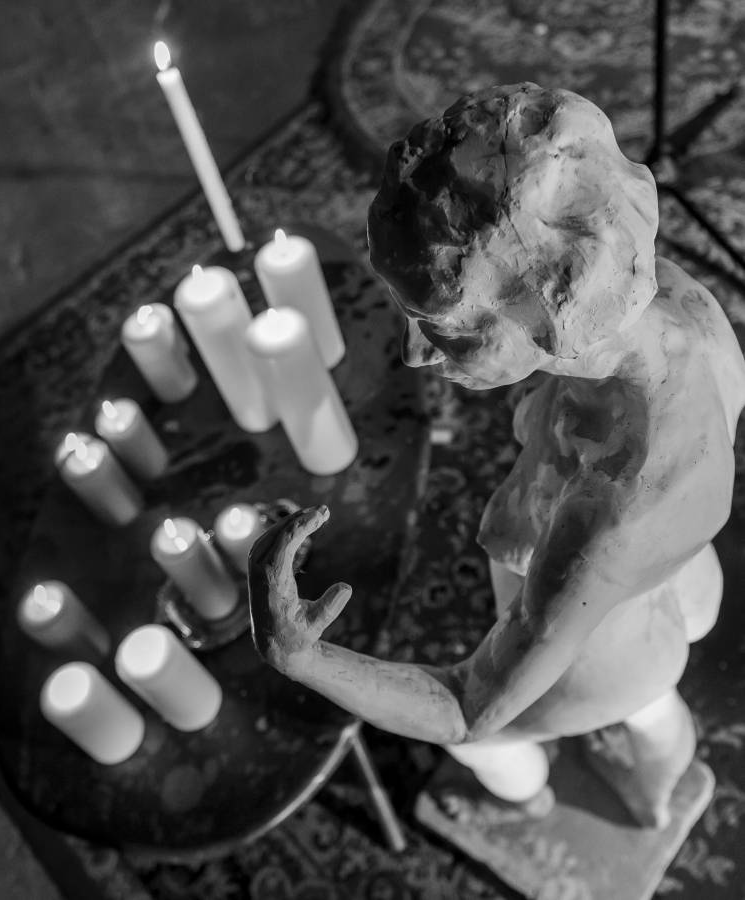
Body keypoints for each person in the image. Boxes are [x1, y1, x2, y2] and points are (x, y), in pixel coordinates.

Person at [247, 83, 745, 828]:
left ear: (546, 305)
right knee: (649, 702)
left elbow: (464, 704)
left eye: (442, 326)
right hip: (678, 578)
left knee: (500, 743)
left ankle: (598, 800)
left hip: (609, 649)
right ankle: (653, 787)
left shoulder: (612, 510)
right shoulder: (676, 297)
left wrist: (303, 656)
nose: (416, 353)